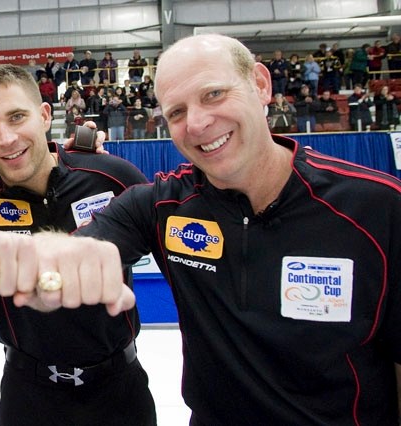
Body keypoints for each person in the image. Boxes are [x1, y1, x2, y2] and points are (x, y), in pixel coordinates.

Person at [63, 33, 401, 425]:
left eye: (213, 95)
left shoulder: (376, 208)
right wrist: (58, 165)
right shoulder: (161, 208)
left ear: (260, 84)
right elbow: (56, 262)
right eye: (176, 113)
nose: (198, 123)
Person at [0, 64, 155, 426]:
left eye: (17, 117)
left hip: (121, 393)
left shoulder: (113, 176)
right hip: (27, 398)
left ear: (45, 115)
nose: (6, 138)